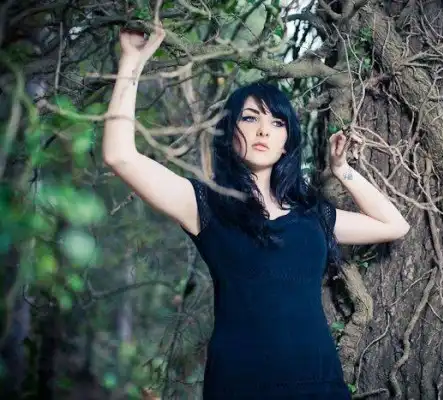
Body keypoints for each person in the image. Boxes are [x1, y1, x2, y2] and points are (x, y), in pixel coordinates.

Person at [103, 22, 410, 399]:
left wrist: (342, 169)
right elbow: (120, 156)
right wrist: (131, 62)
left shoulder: (313, 215)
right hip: (241, 386)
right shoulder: (205, 205)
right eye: (250, 118)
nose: (264, 130)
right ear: (229, 132)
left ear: (287, 142)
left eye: (276, 122)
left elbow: (393, 224)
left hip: (320, 386)